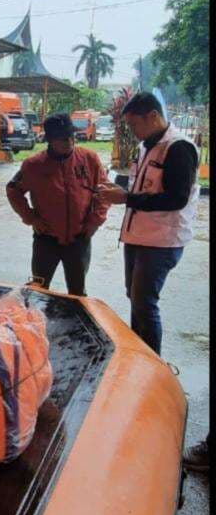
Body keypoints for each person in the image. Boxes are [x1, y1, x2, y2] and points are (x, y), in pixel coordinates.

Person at [97, 92, 199, 356]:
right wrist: (119, 189)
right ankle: (137, 352)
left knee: (144, 302)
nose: (131, 131)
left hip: (162, 241)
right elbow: (144, 186)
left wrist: (127, 198)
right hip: (137, 235)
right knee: (135, 298)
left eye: (134, 124)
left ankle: (151, 363)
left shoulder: (178, 147)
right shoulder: (146, 147)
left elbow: (177, 198)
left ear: (153, 116)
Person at [6, 112, 108, 296]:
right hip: (46, 239)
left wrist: (95, 221)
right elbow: (13, 190)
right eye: (62, 139)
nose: (69, 141)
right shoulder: (33, 165)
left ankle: (76, 325)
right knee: (38, 289)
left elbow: (104, 192)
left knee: (78, 292)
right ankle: (35, 323)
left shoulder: (90, 159)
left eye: (71, 136)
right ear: (50, 140)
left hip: (80, 238)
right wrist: (31, 218)